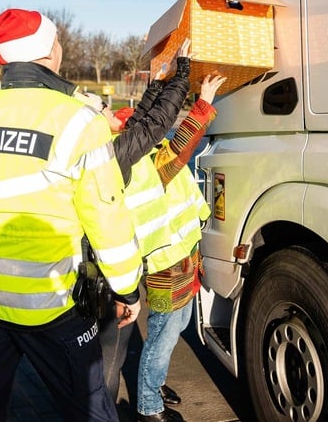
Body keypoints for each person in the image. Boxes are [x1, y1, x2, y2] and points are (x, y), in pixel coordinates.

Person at [0, 9, 143, 422]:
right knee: (89, 409)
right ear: (50, 51)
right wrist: (127, 287)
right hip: (54, 306)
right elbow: (107, 216)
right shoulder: (79, 122)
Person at [77, 41, 192, 407]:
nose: (112, 110)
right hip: (105, 274)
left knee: (96, 354)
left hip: (83, 269)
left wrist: (159, 82)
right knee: (109, 357)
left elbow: (143, 117)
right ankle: (100, 414)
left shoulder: (91, 150)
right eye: (104, 108)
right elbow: (156, 124)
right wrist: (184, 73)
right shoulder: (112, 154)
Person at [134, 73, 225, 422]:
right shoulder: (146, 165)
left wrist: (158, 84)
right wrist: (204, 102)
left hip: (181, 259)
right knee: (162, 336)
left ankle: (152, 384)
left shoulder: (148, 154)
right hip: (166, 266)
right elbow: (183, 143)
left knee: (174, 328)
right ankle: (148, 405)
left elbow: (154, 119)